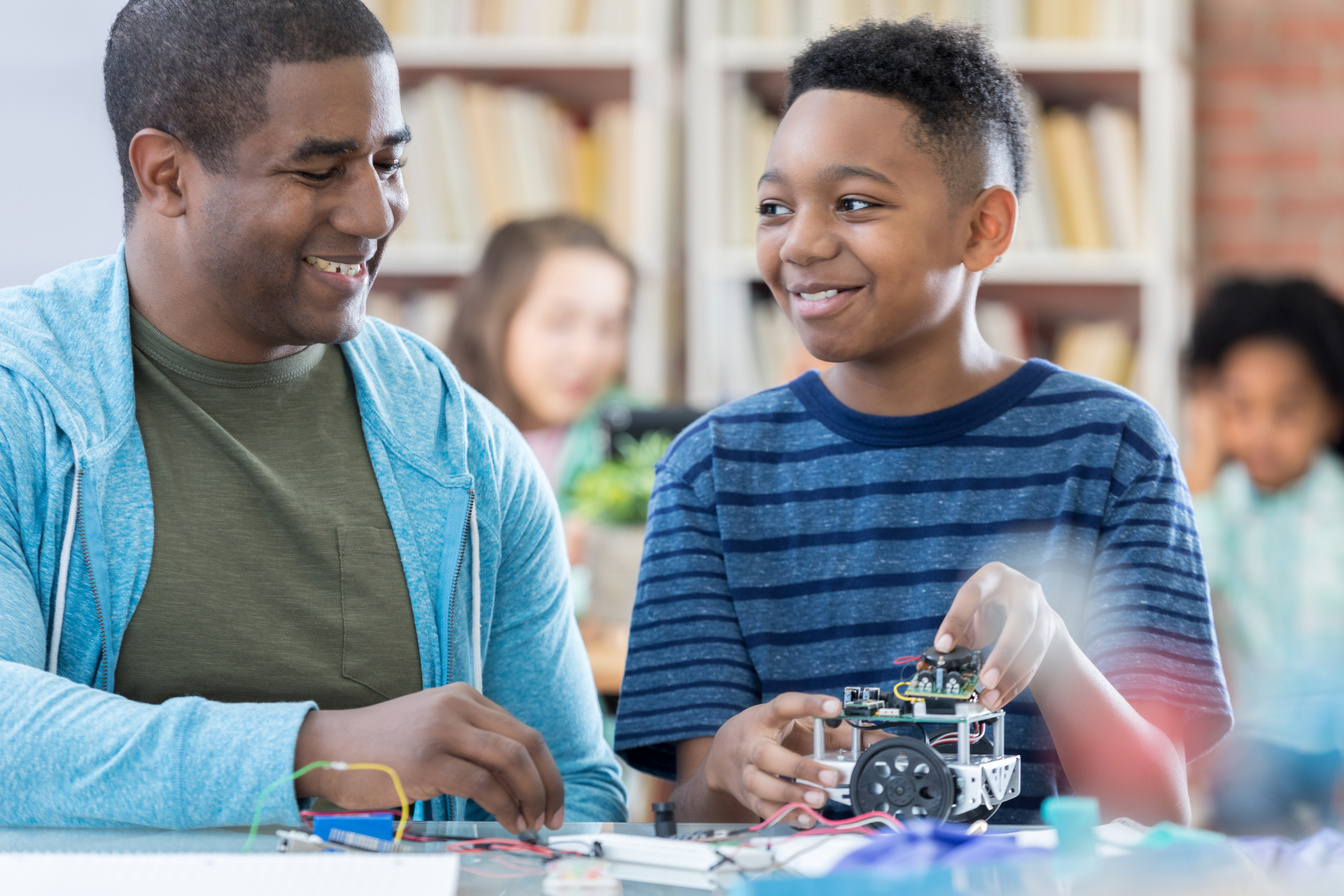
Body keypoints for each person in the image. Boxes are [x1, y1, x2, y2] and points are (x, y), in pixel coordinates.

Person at [0, 0, 624, 830]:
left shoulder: (463, 445)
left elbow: (568, 793)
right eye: (319, 171)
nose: (374, 214)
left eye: (388, 162)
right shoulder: (21, 401)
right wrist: (318, 753)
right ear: (166, 175)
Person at [613, 18, 1231, 826]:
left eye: (855, 203)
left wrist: (1050, 647)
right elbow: (694, 819)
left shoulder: (1112, 447)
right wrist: (729, 769)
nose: (801, 242)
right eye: (774, 206)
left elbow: (1158, 820)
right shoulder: (711, 470)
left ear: (984, 228)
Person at [1184, 278, 1344, 837]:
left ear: (1332, 412)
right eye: (1239, 408)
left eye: (1288, 411)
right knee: (1244, 807)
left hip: (1338, 733)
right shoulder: (1221, 502)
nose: (1260, 433)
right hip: (1261, 737)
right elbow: (1190, 583)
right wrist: (1203, 458)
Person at [445, 214, 635, 514]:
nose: (586, 355)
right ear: (493, 321)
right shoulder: (429, 439)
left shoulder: (640, 446)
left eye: (609, 328)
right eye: (560, 323)